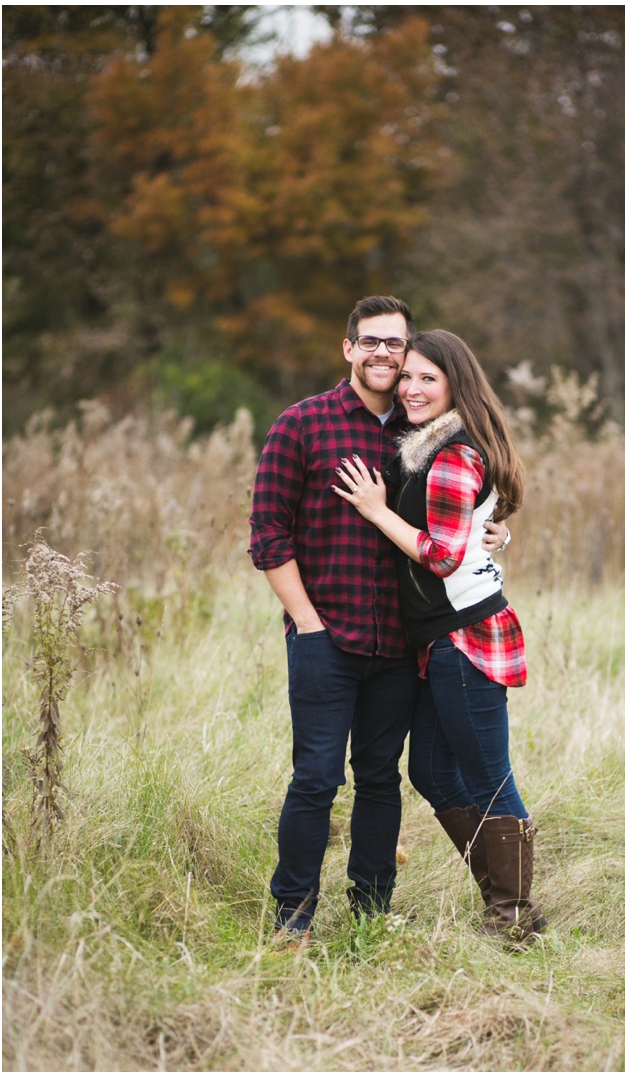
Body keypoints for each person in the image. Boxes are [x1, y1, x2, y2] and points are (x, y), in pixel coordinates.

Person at [248, 296, 510, 946]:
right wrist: (305, 620)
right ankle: (292, 919)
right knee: (315, 777)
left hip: (399, 644)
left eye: (395, 344)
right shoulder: (301, 425)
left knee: (380, 778)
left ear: (408, 350)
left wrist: (486, 529)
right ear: (348, 348)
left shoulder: (416, 431)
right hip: (323, 635)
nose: (384, 355)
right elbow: (267, 534)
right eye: (370, 342)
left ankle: (370, 914)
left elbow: (450, 511)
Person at [332, 330, 543, 941]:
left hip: (465, 637)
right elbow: (473, 525)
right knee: (427, 768)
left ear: (456, 385)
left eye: (428, 378)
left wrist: (376, 510)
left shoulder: (452, 453)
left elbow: (444, 556)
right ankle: (504, 893)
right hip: (436, 641)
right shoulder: (423, 447)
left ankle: (513, 918)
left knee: (489, 776)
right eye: (407, 377)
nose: (412, 388)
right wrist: (493, 529)